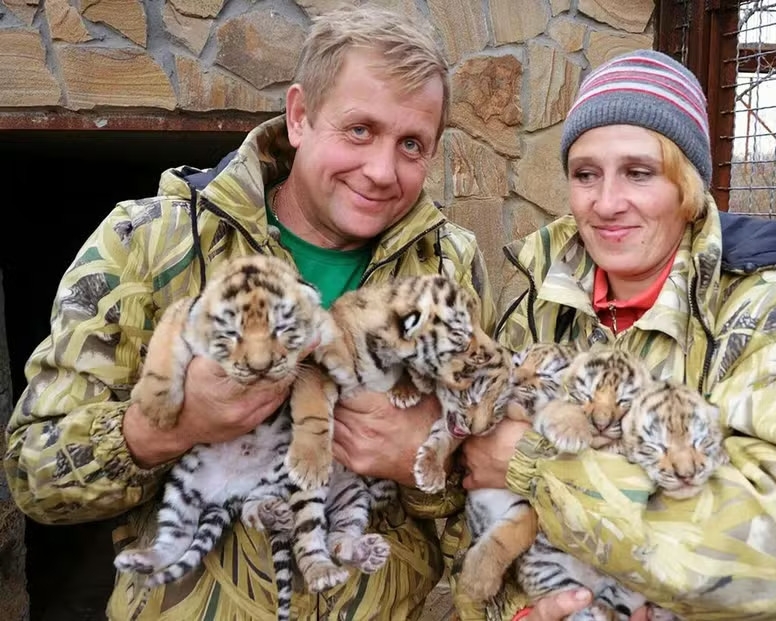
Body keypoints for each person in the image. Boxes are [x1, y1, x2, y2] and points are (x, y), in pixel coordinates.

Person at [4, 6, 495, 620]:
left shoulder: (448, 269)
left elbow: (492, 488)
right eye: (360, 130)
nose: (381, 170)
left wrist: (429, 462)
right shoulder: (151, 240)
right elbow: (34, 477)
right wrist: (171, 426)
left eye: (412, 144)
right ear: (299, 116)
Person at [449, 49, 776, 621]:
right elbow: (467, 505)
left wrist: (533, 462)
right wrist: (524, 612)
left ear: (687, 188)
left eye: (639, 173)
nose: (606, 203)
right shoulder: (543, 305)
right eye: (585, 174)